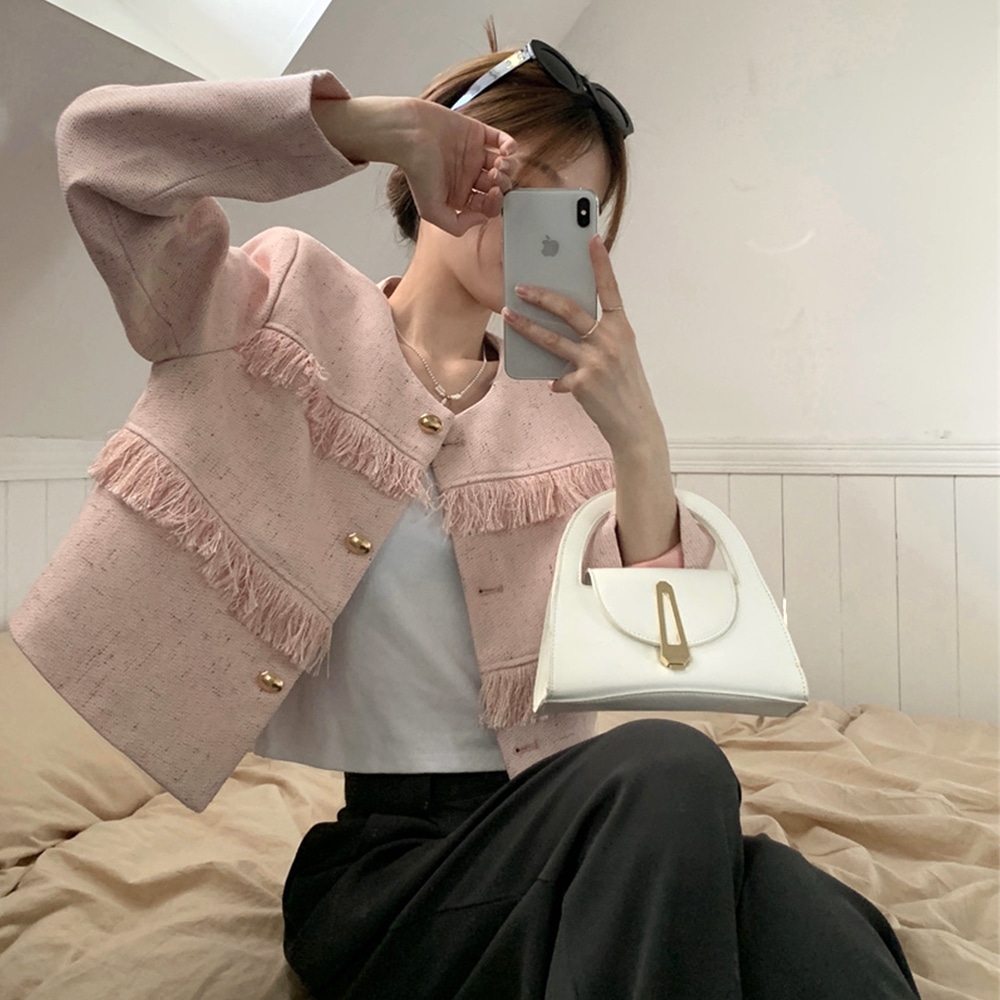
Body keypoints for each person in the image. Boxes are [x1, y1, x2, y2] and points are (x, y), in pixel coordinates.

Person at [9, 19, 922, 1000]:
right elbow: (101, 153)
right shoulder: (275, 311)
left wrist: (639, 439)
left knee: (806, 909)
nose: (543, 225)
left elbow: (669, 653)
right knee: (674, 772)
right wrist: (369, 127)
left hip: (565, 821)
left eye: (574, 210)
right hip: (388, 875)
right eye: (521, 181)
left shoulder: (561, 407)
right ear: (441, 165)